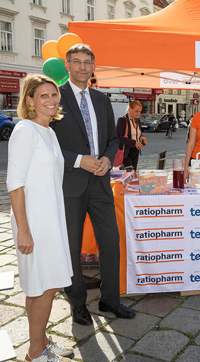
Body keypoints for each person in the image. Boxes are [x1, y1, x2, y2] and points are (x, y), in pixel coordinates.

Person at [51, 44, 135, 326]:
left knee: (110, 241)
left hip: (101, 183)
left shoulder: (101, 99)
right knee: (72, 246)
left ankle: (110, 300)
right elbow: (46, 145)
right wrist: (77, 160)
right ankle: (77, 303)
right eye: (77, 62)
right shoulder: (54, 97)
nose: (83, 67)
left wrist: (107, 159)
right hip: (70, 183)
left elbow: (112, 140)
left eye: (88, 62)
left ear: (94, 66)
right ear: (67, 65)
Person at [7, 74, 73, 362]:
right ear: (30, 101)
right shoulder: (25, 131)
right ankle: (36, 352)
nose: (50, 100)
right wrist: (24, 229)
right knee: (45, 287)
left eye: (53, 94)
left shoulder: (49, 132)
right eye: (43, 96)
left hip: (50, 219)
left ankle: (41, 340)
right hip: (34, 222)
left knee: (38, 286)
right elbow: (14, 183)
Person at [116, 100, 147, 169]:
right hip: (126, 152)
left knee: (134, 173)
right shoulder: (122, 120)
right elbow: (119, 137)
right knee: (128, 175)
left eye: (139, 111)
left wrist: (142, 137)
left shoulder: (137, 120)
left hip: (136, 151)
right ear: (130, 109)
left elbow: (138, 133)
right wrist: (134, 142)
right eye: (136, 111)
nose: (138, 113)